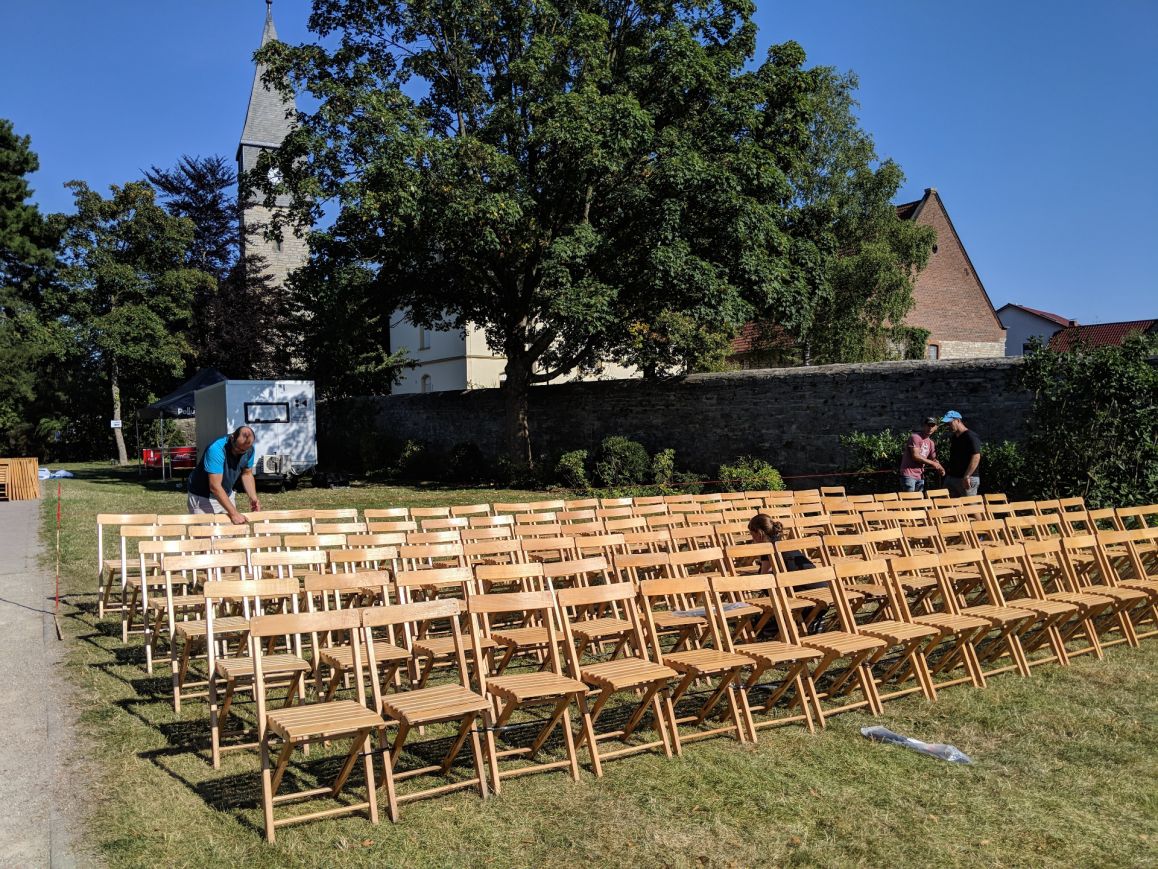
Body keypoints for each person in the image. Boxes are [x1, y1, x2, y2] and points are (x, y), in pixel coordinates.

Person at [187, 426, 261, 523]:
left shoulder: (249, 449)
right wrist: (234, 513)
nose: (240, 452)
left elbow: (247, 474)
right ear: (232, 437)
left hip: (226, 494)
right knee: (207, 535)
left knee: (230, 535)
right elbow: (215, 486)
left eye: (243, 450)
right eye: (237, 448)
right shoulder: (216, 449)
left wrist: (253, 498)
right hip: (203, 496)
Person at [941, 410, 982, 497]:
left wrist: (967, 476)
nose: (948, 426)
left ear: (958, 420)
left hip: (967, 478)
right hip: (952, 478)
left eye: (950, 423)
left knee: (969, 508)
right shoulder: (954, 438)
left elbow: (976, 456)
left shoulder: (971, 436)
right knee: (947, 505)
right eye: (946, 424)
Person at [899, 417, 944, 492]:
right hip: (908, 475)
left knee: (919, 501)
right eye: (928, 425)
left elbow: (933, 459)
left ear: (936, 428)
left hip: (920, 476)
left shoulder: (931, 443)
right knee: (909, 501)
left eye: (933, 426)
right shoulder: (915, 437)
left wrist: (940, 468)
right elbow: (915, 456)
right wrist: (933, 463)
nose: (930, 428)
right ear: (924, 426)